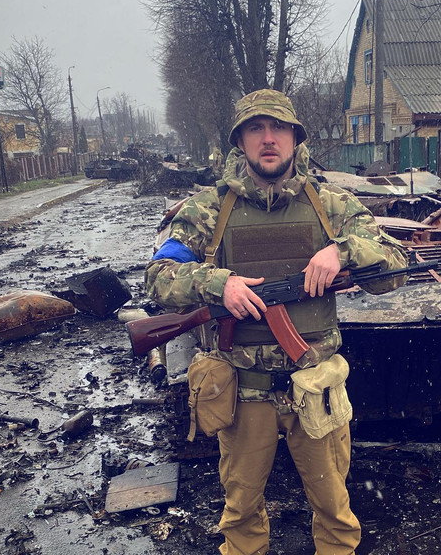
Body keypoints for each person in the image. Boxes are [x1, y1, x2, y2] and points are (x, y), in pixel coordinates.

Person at [145, 89, 407, 555]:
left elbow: (395, 265)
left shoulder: (332, 205)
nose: (268, 139)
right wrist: (217, 284)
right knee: (241, 514)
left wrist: (343, 251)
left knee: (334, 509)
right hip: (242, 393)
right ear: (240, 140)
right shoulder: (207, 209)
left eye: (278, 128)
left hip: (315, 387)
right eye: (256, 129)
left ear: (295, 137)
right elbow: (157, 277)